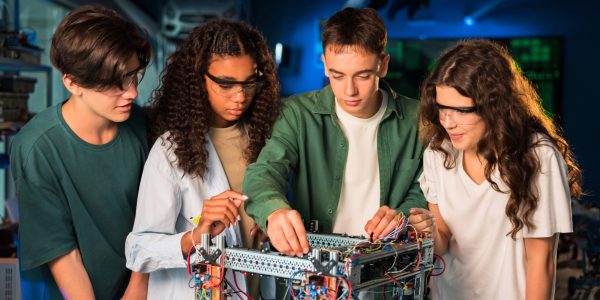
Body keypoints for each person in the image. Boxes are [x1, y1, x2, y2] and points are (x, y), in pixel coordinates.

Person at [243, 7, 426, 259]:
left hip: (385, 269)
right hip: (313, 271)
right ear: (325, 65)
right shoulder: (297, 114)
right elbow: (264, 171)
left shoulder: (418, 119)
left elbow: (425, 187)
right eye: (337, 75)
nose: (349, 90)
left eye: (363, 76)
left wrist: (402, 215)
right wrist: (274, 211)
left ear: (383, 66)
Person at [409, 39, 583, 299]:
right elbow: (443, 240)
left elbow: (541, 263)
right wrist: (428, 231)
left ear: (495, 105)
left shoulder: (537, 156)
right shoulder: (438, 151)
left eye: (460, 110)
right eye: (441, 108)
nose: (447, 122)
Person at [125, 19, 280, 300]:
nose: (240, 96)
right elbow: (139, 249)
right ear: (198, 78)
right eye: (225, 84)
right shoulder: (170, 150)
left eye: (249, 82)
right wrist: (195, 237)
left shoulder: (268, 140)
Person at [9, 5, 151, 300]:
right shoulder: (37, 147)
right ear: (72, 83)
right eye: (115, 84)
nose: (132, 92)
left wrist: (138, 288)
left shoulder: (143, 128)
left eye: (133, 76)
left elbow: (155, 222)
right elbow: (63, 256)